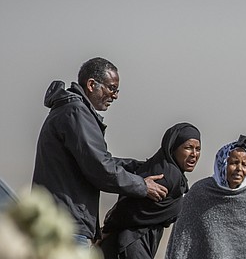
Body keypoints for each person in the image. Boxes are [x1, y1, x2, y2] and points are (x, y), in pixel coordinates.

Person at [32, 57, 168, 245]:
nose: (115, 95)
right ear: (91, 85)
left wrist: (139, 167)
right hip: (65, 229)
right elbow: (100, 168)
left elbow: (99, 160)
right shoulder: (76, 113)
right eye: (111, 88)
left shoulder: (72, 111)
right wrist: (143, 186)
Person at [99, 123, 201, 259]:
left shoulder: (166, 170)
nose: (194, 154)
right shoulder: (168, 175)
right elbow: (129, 209)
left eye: (198, 149)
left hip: (129, 247)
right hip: (130, 249)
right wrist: (106, 230)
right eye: (188, 147)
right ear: (173, 148)